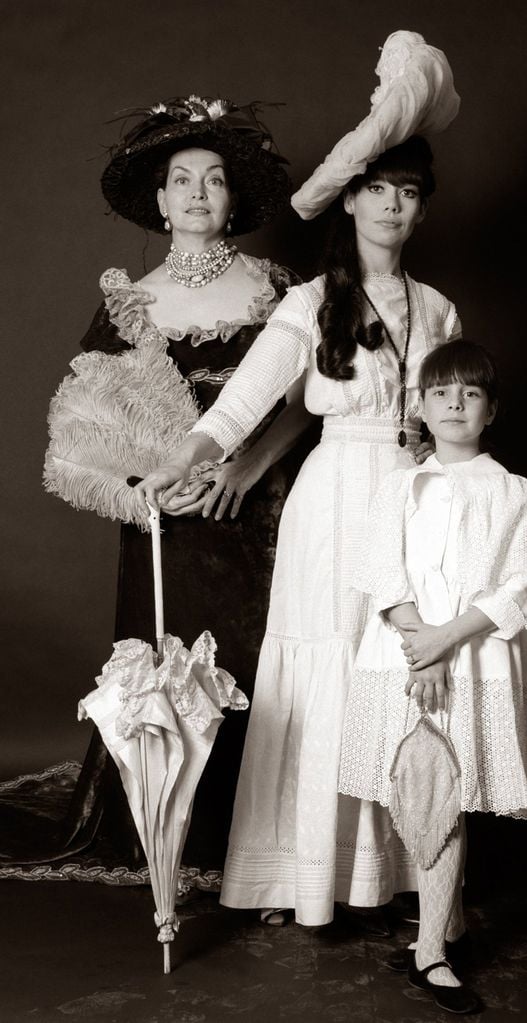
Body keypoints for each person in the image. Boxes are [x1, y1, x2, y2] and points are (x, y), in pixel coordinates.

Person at [136, 31, 462, 926]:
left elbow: (455, 429)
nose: (392, 206)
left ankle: (391, 876)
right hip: (334, 499)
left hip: (415, 501)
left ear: (420, 209)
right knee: (319, 672)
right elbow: (238, 408)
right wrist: (182, 460)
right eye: (377, 190)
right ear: (349, 201)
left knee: (398, 674)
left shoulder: (437, 308)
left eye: (408, 194)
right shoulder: (311, 303)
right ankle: (301, 877)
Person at [0, 95, 317, 884]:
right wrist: (149, 487)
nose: (199, 194)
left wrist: (245, 470)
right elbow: (85, 432)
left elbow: (310, 400)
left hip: (264, 510)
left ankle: (263, 837)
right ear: (161, 199)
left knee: (264, 665)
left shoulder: (279, 287)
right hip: (165, 525)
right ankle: (163, 820)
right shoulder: (130, 303)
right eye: (183, 181)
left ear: (234, 197)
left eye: (214, 180)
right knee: (167, 660)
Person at [338, 340, 527, 1012]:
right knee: (425, 789)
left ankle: (432, 946)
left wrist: (443, 643)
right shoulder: (399, 484)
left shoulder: (513, 491)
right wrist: (420, 645)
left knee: (445, 794)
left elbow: (524, 582)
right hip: (405, 657)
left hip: (474, 656)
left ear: (491, 409)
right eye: (442, 393)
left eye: (470, 393)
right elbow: (382, 570)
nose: (456, 403)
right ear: (422, 407)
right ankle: (442, 934)